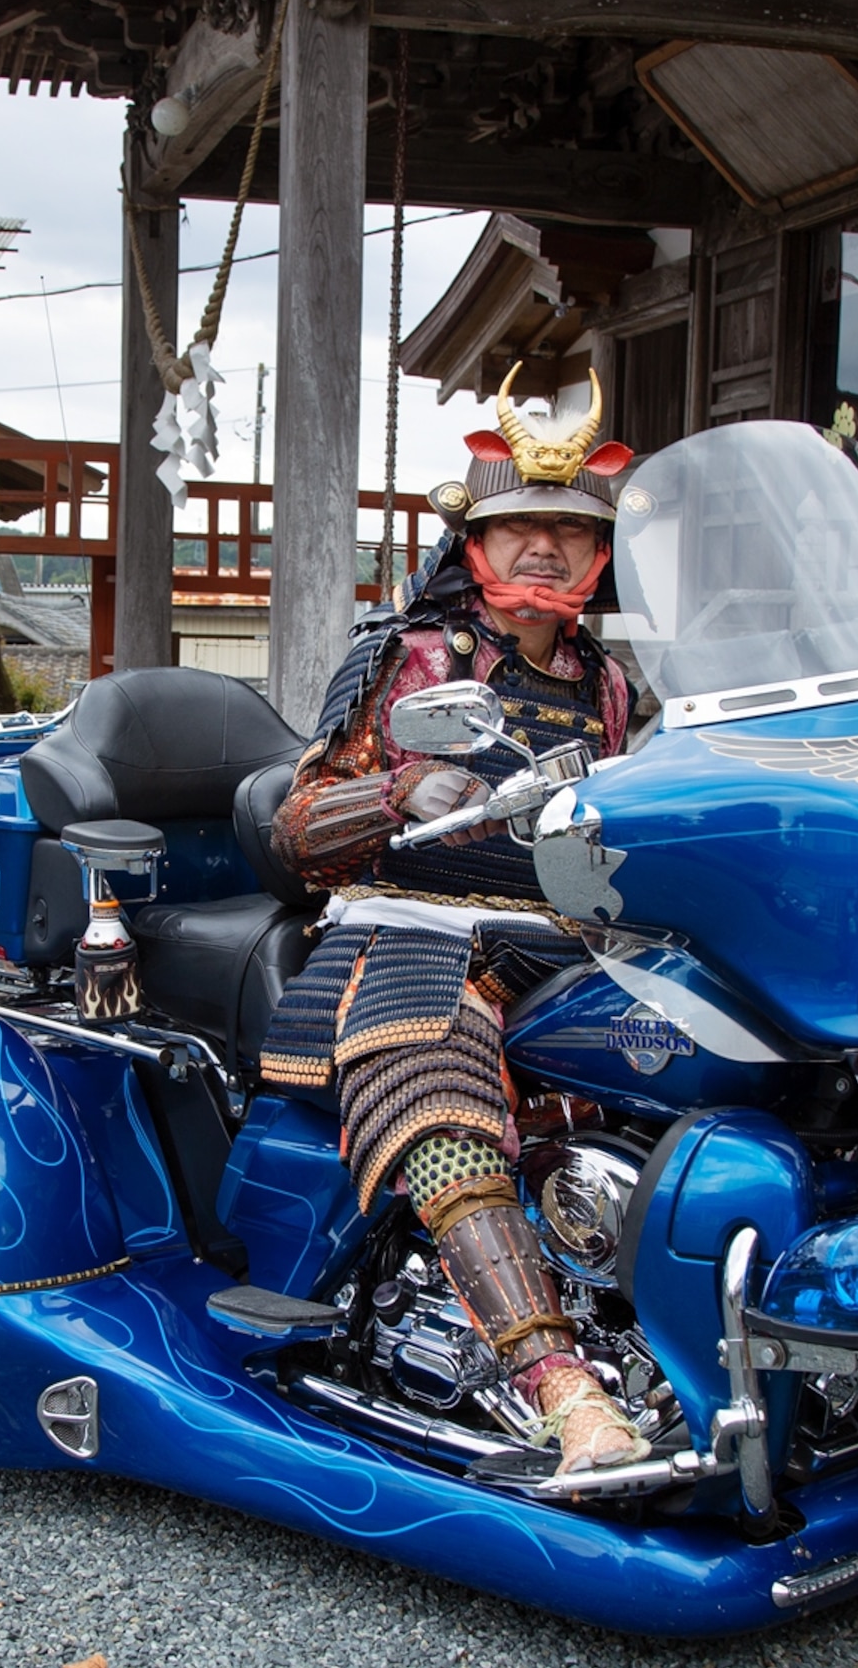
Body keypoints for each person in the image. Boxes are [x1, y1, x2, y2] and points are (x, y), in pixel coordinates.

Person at [258, 371, 646, 1475]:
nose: (546, 549)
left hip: (567, 937)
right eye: (520, 524)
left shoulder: (612, 683)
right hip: (413, 928)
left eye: (570, 531)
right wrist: (395, 794)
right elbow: (294, 824)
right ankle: (560, 1387)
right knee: (434, 1086)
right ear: (473, 539)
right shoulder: (409, 655)